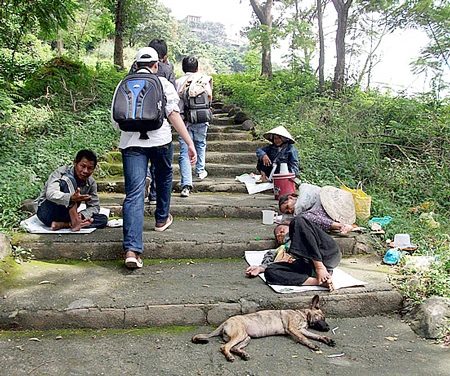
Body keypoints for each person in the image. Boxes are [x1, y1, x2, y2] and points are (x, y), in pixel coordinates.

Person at [111, 46, 197, 269]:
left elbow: (115, 119)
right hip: (160, 141)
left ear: (136, 64)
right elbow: (173, 115)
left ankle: (132, 250)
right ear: (156, 65)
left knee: (134, 194)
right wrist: (189, 142)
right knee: (165, 176)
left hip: (131, 145)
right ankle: (161, 218)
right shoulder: (164, 84)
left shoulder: (123, 83)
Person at [247, 217, 342, 291]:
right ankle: (319, 282)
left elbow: (301, 226)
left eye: (281, 231)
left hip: (327, 253)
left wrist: (319, 267)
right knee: (270, 272)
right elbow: (270, 258)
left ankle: (320, 267)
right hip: (309, 266)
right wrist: (260, 268)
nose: (279, 235)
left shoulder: (301, 226)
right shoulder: (282, 248)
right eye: (277, 236)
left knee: (297, 221)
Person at [34, 149, 108, 232]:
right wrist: (71, 198)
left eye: (90, 168)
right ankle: (75, 221)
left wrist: (82, 215)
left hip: (66, 215)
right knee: (69, 179)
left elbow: (94, 206)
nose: (85, 171)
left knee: (103, 219)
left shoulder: (91, 182)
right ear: (75, 162)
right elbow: (50, 194)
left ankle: (65, 224)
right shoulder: (61, 173)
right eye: (82, 166)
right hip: (47, 212)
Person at [176, 56, 213, 198]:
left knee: (184, 152)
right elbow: (209, 98)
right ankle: (200, 170)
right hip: (202, 120)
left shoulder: (179, 82)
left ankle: (186, 184)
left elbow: (176, 103)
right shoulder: (204, 79)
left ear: (183, 68)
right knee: (201, 144)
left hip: (184, 121)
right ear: (197, 68)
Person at [145, 39, 176, 205]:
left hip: (135, 127)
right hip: (159, 125)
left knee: (141, 159)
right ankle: (155, 195)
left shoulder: (135, 68)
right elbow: (172, 99)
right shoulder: (167, 69)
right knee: (161, 166)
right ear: (164, 56)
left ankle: (145, 178)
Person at [278, 183, 355, 234]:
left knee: (303, 218)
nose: (290, 210)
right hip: (324, 215)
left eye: (287, 207)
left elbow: (301, 211)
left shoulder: (303, 196)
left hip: (330, 206)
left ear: (290, 198)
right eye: (288, 212)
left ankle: (341, 226)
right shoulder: (300, 210)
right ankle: (343, 226)